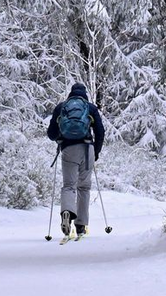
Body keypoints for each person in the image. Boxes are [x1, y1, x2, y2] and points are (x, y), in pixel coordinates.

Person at [47, 81, 105, 240]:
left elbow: (51, 134)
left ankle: (66, 212)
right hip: (87, 149)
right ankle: (80, 225)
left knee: (68, 185)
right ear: (84, 94)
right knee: (84, 187)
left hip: (68, 150)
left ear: (70, 94)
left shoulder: (61, 107)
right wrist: (96, 152)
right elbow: (100, 131)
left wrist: (61, 137)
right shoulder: (90, 108)